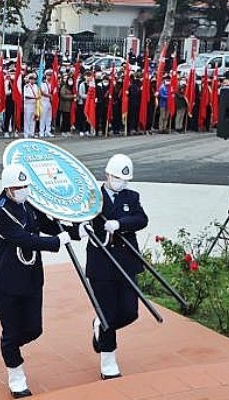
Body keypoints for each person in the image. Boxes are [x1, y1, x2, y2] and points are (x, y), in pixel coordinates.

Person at [0, 164, 73, 398]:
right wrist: (56, 242)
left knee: (34, 329)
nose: (24, 190)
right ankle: (16, 375)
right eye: (19, 187)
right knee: (11, 331)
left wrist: (75, 231)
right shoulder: (1, 211)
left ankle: (11, 345)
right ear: (8, 188)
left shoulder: (28, 205)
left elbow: (46, 224)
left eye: (26, 186)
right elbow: (25, 239)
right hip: (7, 281)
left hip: (32, 278)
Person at [79, 154, 148, 380]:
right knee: (108, 312)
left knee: (130, 312)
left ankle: (100, 325)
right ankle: (108, 361)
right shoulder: (92, 198)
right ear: (107, 175)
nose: (121, 183)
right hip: (102, 264)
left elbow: (141, 219)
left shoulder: (131, 196)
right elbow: (80, 221)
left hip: (126, 262)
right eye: (117, 178)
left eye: (125, 180)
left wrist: (119, 224)